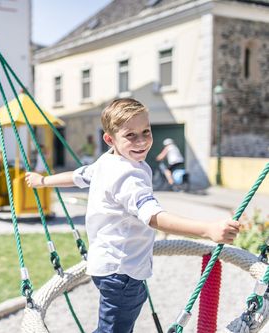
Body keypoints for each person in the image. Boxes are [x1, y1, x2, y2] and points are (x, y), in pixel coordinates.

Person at [25, 98, 239, 333]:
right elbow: (153, 216)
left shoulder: (107, 161)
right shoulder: (129, 176)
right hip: (123, 272)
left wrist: (43, 181)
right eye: (130, 135)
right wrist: (207, 229)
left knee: (115, 323)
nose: (142, 141)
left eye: (146, 131)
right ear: (110, 139)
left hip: (106, 267)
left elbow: (78, 176)